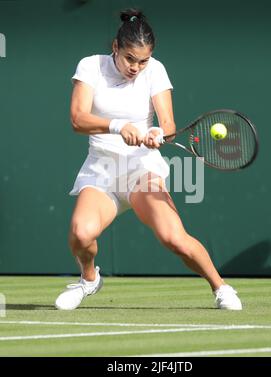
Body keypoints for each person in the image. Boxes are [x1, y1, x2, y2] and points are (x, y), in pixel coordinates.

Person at [55, 9, 242, 311]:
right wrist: (117, 126)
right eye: (130, 58)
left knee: (174, 238)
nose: (136, 67)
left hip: (142, 169)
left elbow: (168, 124)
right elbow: (78, 119)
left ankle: (221, 288)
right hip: (101, 169)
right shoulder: (91, 66)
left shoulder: (155, 70)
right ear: (115, 47)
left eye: (143, 60)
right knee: (81, 233)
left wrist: (157, 132)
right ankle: (89, 279)